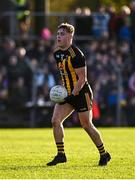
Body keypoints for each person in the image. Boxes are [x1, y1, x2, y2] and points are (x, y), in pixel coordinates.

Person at [47, 23, 111, 166]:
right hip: (68, 93)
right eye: (58, 33)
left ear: (70, 36)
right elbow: (65, 74)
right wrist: (61, 92)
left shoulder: (77, 54)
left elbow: (82, 79)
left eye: (62, 34)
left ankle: (104, 154)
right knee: (55, 121)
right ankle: (61, 155)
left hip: (82, 93)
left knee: (86, 125)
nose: (58, 36)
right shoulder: (56, 53)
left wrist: (73, 94)